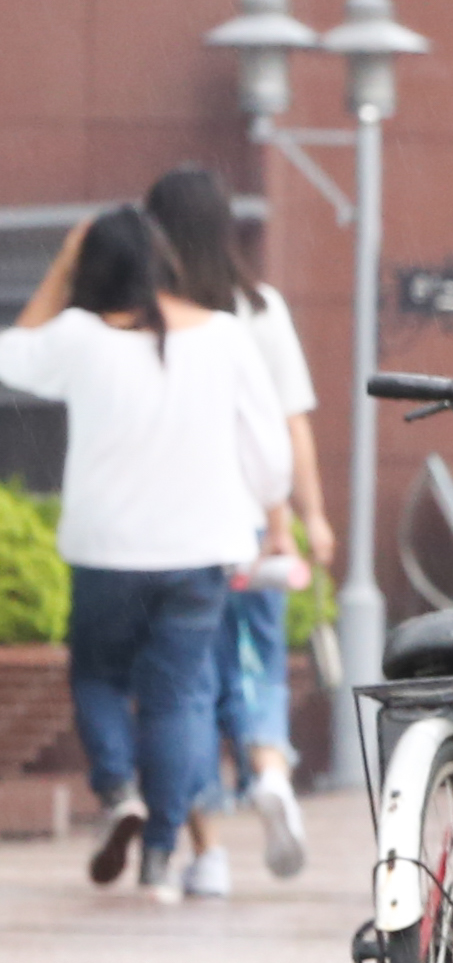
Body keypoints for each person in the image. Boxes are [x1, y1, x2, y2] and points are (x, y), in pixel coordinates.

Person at [4, 210, 286, 903]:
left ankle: (118, 788)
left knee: (98, 674)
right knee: (177, 699)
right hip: (201, 551)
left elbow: (10, 355)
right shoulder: (224, 337)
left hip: (106, 550)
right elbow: (270, 454)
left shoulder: (79, 337)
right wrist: (268, 511)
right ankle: (162, 850)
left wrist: (61, 268)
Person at [144, 165, 331, 886]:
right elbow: (291, 425)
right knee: (257, 664)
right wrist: (306, 517)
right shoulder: (261, 307)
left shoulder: (148, 314)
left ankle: (207, 854)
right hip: (258, 521)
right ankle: (270, 774)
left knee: (183, 685)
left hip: (173, 530)